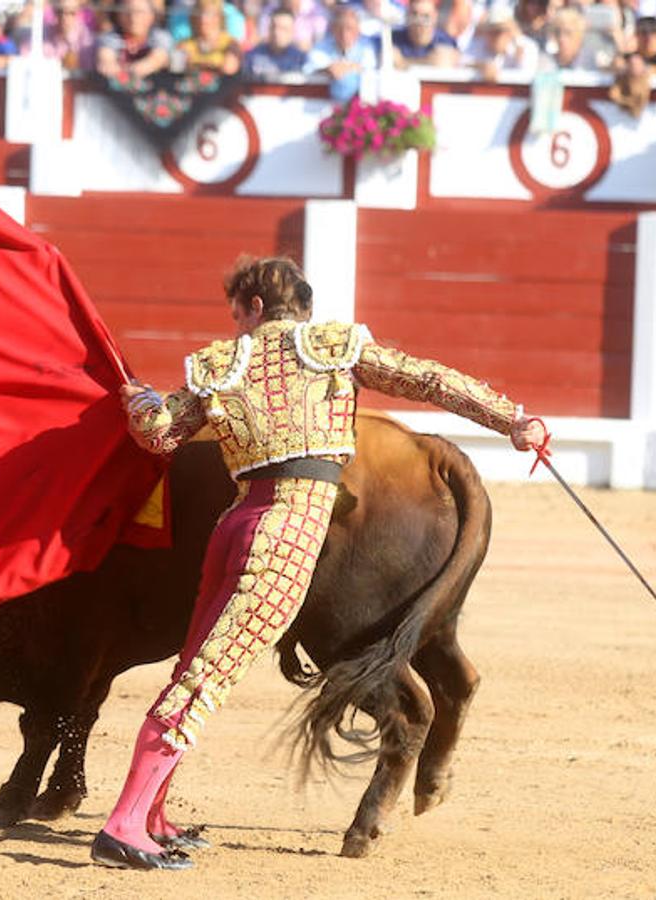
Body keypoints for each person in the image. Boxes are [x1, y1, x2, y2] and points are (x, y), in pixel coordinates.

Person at [90, 255, 548, 871]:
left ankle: (150, 816)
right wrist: (513, 421)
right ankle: (123, 825)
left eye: (237, 315)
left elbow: (161, 435)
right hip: (292, 527)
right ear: (300, 306)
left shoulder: (223, 364)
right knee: (206, 680)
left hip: (237, 525)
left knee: (194, 667)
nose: (236, 329)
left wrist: (140, 399)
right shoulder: (334, 346)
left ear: (254, 307)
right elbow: (430, 381)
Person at [304, 5, 380, 101]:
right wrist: (327, 69)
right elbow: (311, 68)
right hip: (325, 106)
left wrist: (344, 67)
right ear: (333, 30)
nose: (344, 34)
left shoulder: (366, 47)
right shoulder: (321, 47)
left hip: (360, 104)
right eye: (340, 28)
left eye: (349, 28)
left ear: (358, 31)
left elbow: (369, 69)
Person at [95, 0, 174, 80]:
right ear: (117, 15)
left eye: (139, 12)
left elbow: (157, 58)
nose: (133, 18)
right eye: (127, 12)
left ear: (152, 15)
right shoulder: (110, 37)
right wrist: (109, 65)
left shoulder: (160, 36)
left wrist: (135, 69)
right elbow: (106, 58)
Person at [466, 4, 540, 79]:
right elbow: (462, 61)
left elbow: (527, 76)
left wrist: (519, 57)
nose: (492, 36)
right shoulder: (479, 44)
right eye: (489, 31)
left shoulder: (527, 47)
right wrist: (481, 66)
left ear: (510, 33)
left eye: (498, 31)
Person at [177, 0, 243, 74]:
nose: (203, 19)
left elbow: (229, 67)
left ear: (218, 17)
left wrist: (196, 61)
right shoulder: (186, 44)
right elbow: (177, 64)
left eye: (207, 14)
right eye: (199, 14)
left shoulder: (231, 44)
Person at [393, 0, 460, 67]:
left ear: (435, 17)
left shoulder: (445, 41)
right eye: (414, 15)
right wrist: (427, 61)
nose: (419, 21)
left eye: (425, 16)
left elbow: (446, 62)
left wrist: (403, 62)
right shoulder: (393, 39)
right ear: (407, 15)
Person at [244, 7, 308, 76]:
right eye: (273, 27)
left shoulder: (300, 60)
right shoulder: (252, 57)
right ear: (268, 29)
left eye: (283, 29)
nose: (277, 33)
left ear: (292, 32)